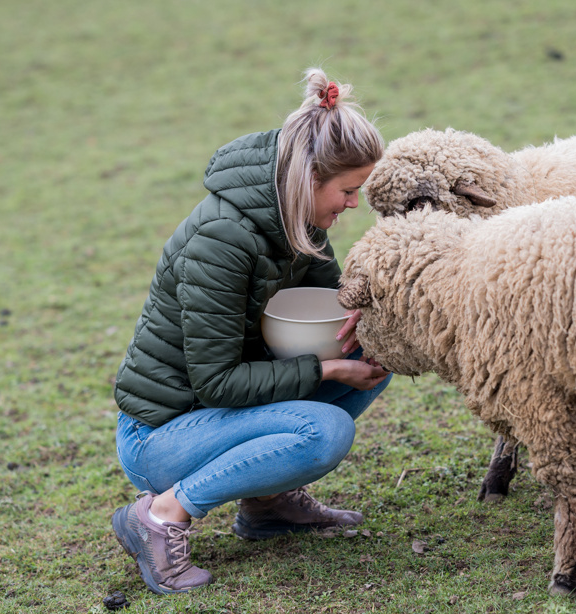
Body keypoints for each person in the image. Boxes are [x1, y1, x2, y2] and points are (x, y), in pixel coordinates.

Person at [110, 67, 392, 595]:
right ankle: (160, 515)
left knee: (371, 360)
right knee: (323, 431)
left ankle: (269, 504)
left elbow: (337, 304)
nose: (354, 205)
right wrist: (326, 368)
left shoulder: (300, 220)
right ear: (309, 178)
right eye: (349, 191)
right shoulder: (221, 239)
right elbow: (217, 382)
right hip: (162, 436)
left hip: (218, 415)